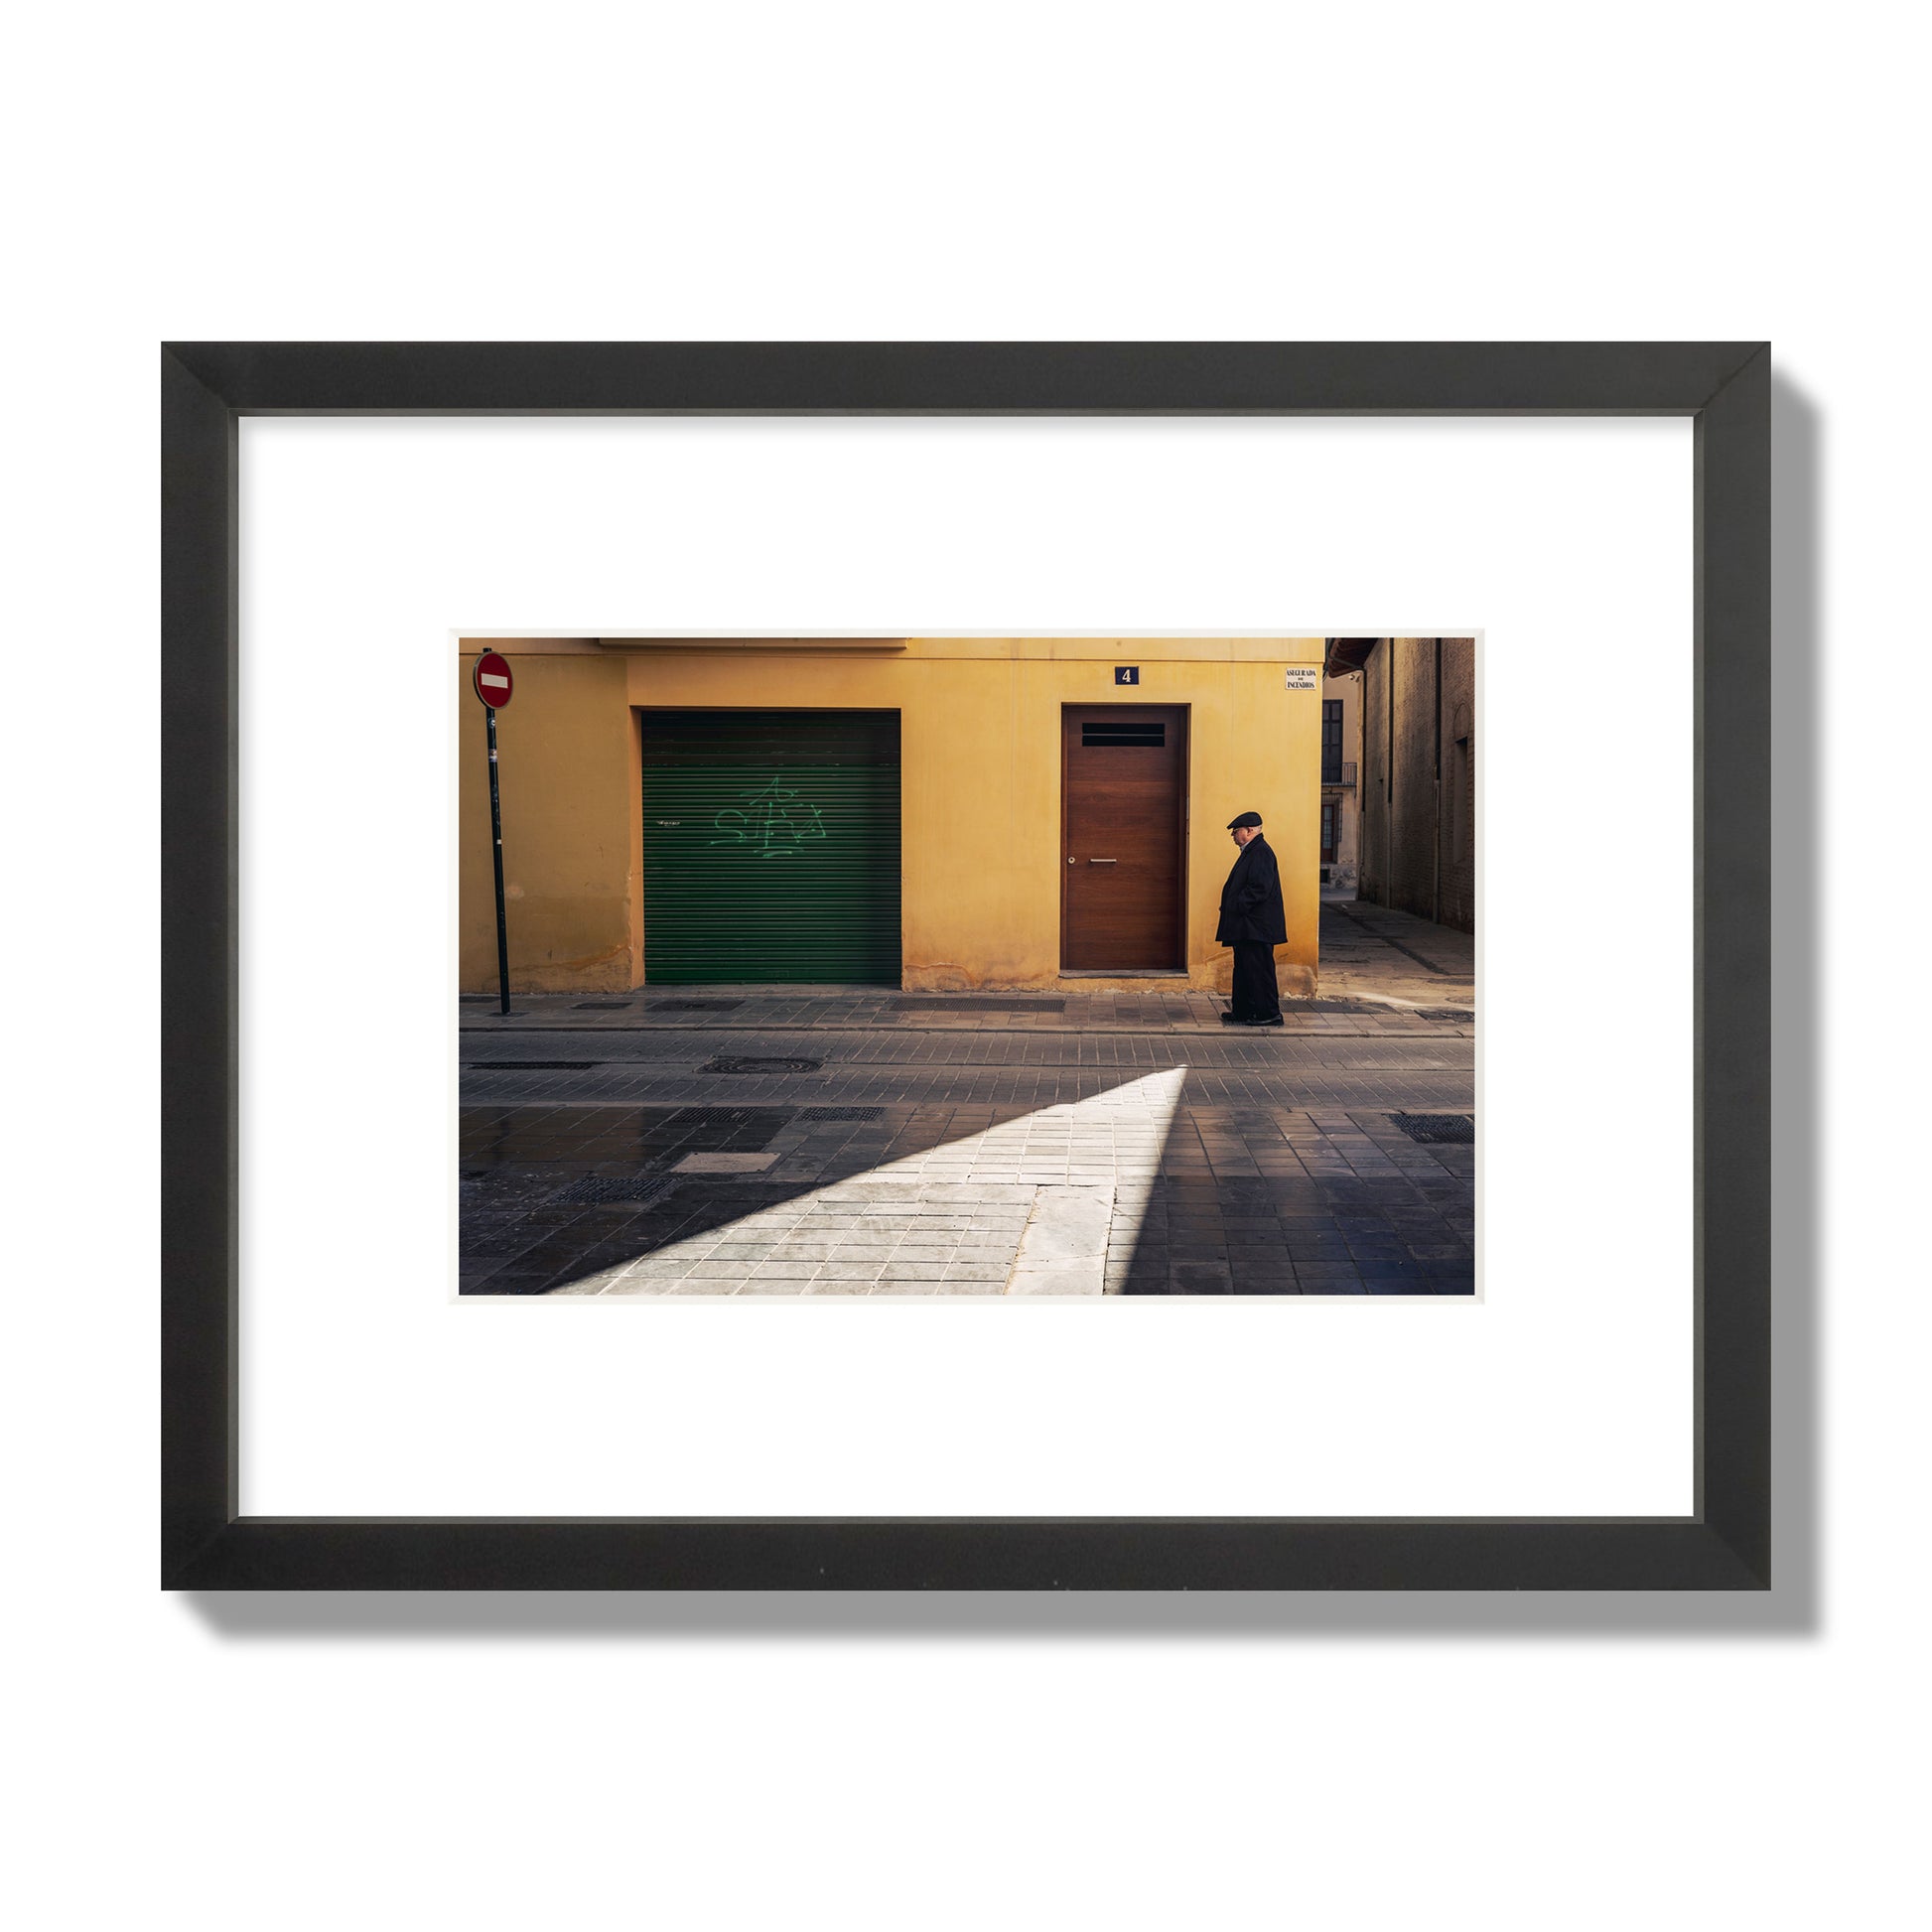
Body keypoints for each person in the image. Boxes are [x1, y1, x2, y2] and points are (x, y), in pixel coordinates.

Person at [1216, 810, 1286, 1026]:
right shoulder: (1252, 851)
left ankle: (1269, 1014)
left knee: (1259, 970)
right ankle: (1244, 1011)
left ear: (1249, 831)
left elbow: (1259, 888)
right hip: (1247, 926)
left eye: (1235, 832)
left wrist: (1236, 905)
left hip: (1256, 926)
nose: (1233, 836)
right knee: (1245, 969)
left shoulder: (1261, 852)